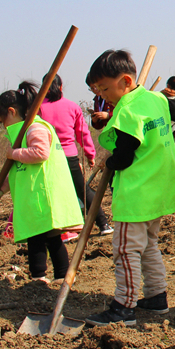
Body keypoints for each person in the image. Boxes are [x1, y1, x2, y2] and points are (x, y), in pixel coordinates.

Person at [84, 50, 175, 326]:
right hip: (159, 189)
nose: (103, 94)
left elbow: (125, 155)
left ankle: (124, 306)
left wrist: (111, 162)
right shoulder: (155, 98)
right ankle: (156, 297)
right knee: (149, 245)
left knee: (125, 249)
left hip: (137, 194)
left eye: (105, 88)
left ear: (126, 81)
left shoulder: (130, 109)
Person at [0, 82, 82, 283]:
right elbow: (17, 172)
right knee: (42, 237)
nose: (4, 126)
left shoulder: (34, 128)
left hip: (42, 198)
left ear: (11, 112)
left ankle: (49, 277)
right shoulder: (23, 132)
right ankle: (51, 276)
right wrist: (0, 191)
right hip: (33, 198)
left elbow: (40, 153)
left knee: (44, 238)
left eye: (3, 120)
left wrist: (14, 153)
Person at [39, 74, 114, 235]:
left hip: (46, 157)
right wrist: (90, 154)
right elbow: (82, 133)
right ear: (61, 87)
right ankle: (103, 224)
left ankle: (57, 230)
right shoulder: (71, 106)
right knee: (82, 190)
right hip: (68, 156)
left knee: (50, 192)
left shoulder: (37, 108)